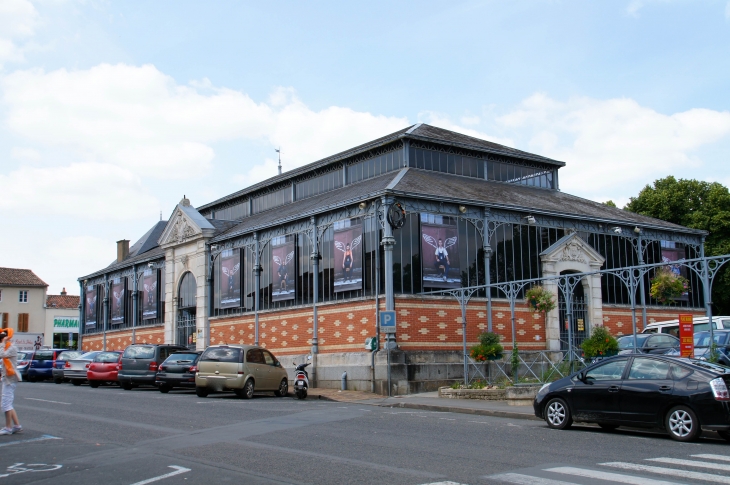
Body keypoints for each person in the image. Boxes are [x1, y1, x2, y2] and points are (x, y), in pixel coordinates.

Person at [0, 328, 22, 435]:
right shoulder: (7, 347)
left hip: (10, 379)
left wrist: (2, 343)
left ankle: (8, 428)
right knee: (8, 403)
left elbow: (1, 354)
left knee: (5, 404)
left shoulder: (11, 348)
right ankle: (17, 425)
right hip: (7, 378)